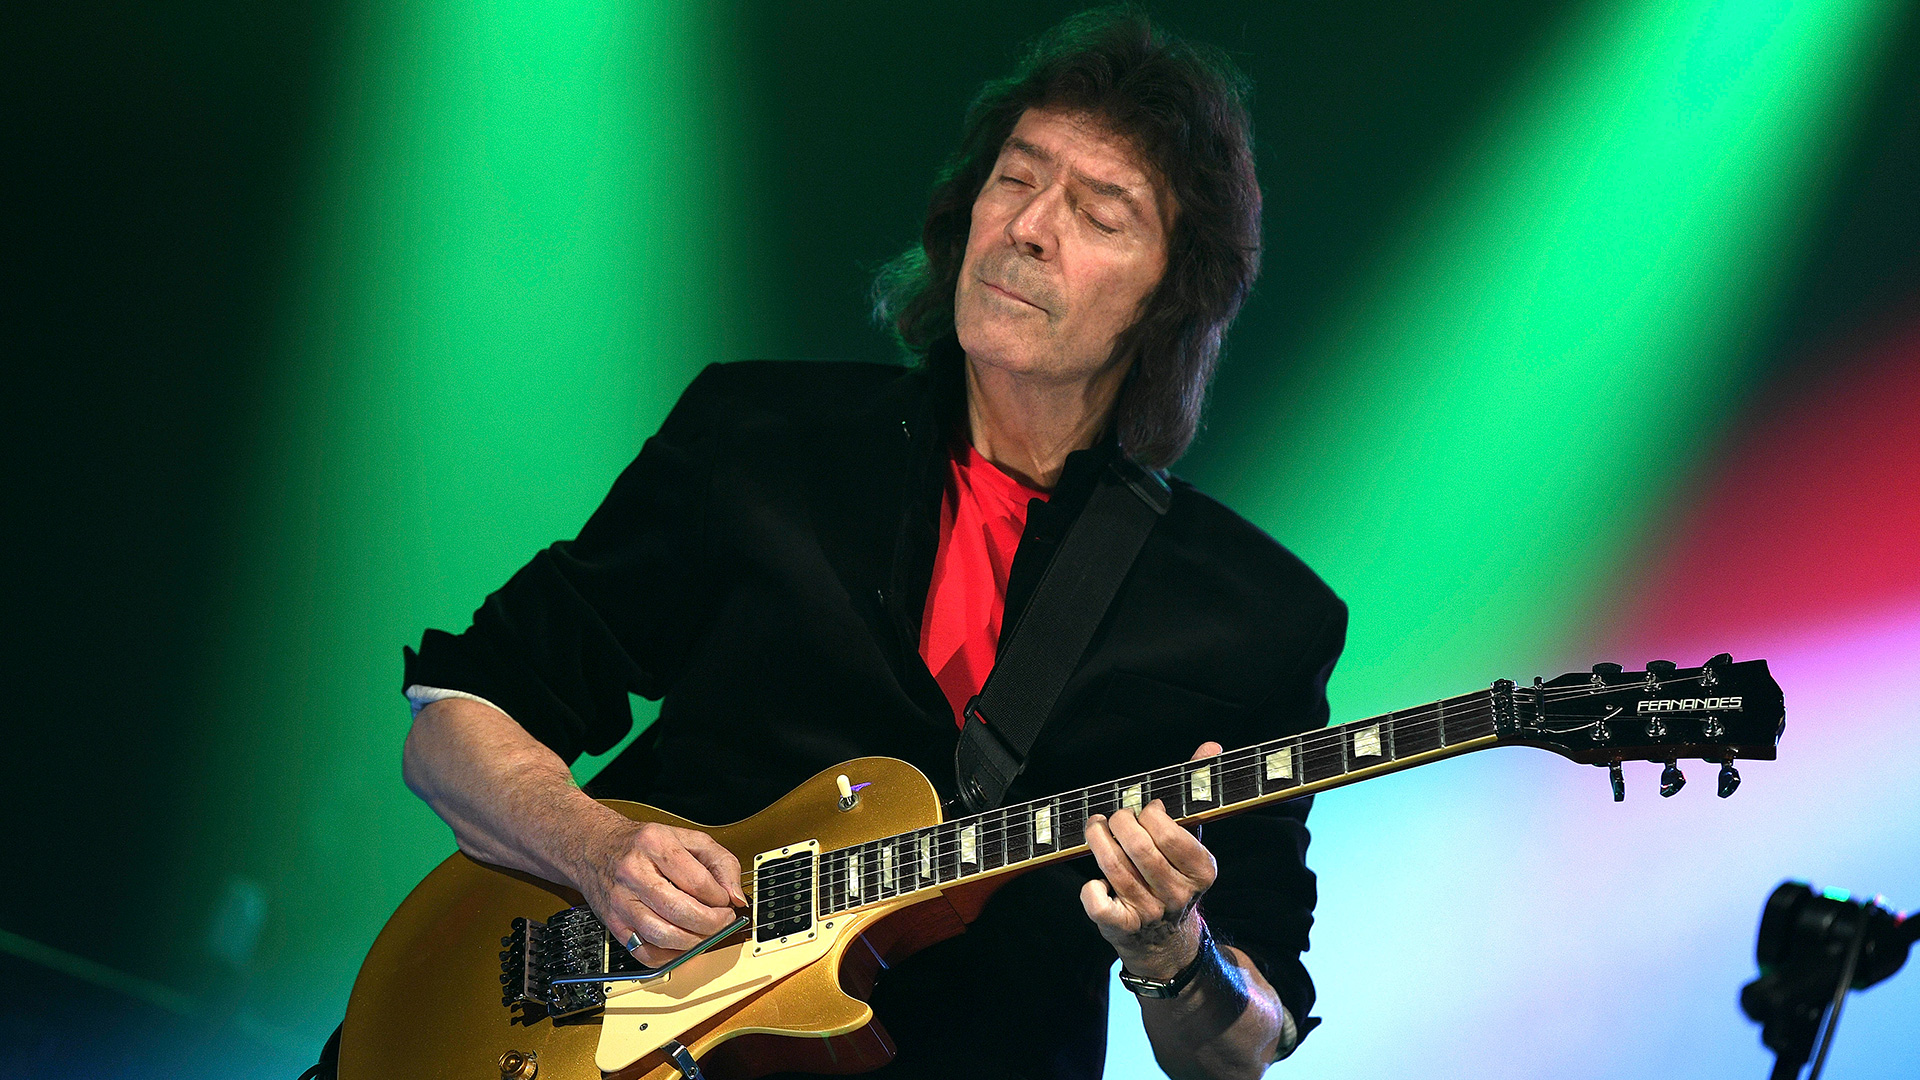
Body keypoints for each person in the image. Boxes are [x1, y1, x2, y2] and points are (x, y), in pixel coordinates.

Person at [399, 10, 1344, 1079]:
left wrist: (1176, 956)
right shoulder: (758, 437)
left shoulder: (1253, 618)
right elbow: (454, 720)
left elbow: (1239, 1049)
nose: (1030, 227)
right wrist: (593, 847)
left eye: (1098, 213)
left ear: (1173, 293)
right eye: (1016, 178)